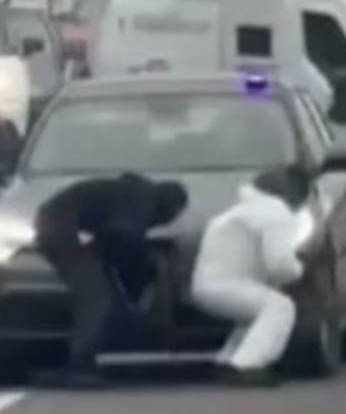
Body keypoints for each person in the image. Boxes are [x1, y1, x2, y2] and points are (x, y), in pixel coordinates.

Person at [33, 172, 189, 387]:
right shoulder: (142, 200)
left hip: (59, 223)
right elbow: (124, 236)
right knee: (97, 298)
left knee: (103, 291)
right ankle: (77, 365)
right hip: (59, 228)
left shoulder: (129, 193)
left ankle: (83, 360)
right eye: (173, 216)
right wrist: (147, 266)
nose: (167, 221)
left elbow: (111, 236)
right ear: (171, 205)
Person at [190, 164, 313, 387]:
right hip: (226, 286)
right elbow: (280, 265)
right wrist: (300, 267)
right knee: (280, 307)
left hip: (207, 285)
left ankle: (227, 360)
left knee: (257, 312)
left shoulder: (239, 211)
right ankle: (247, 366)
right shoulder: (275, 212)